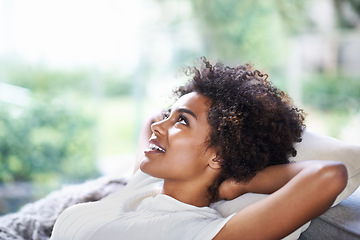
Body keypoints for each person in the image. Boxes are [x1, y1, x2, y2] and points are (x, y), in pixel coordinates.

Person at [50, 57, 347, 240]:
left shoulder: (195, 230)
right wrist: (173, 117)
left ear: (218, 155)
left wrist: (241, 182)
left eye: (182, 121)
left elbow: (329, 175)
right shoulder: (147, 182)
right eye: (170, 114)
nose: (160, 125)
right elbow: (151, 121)